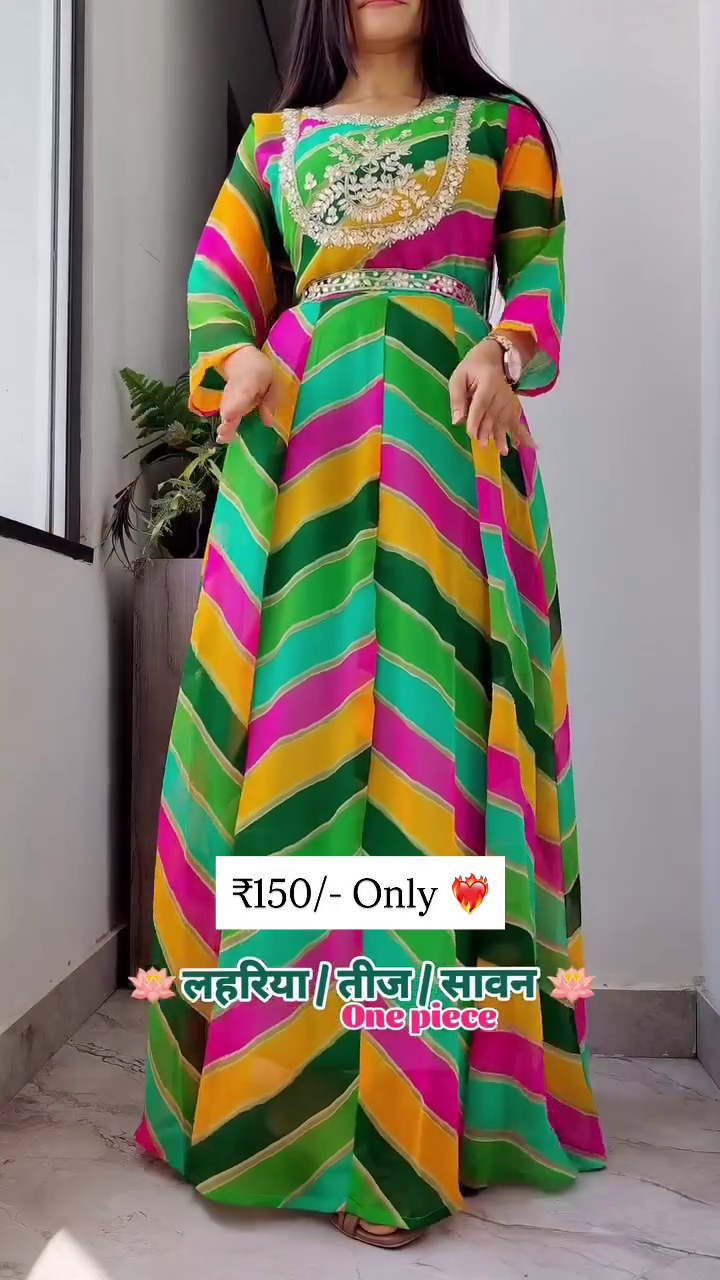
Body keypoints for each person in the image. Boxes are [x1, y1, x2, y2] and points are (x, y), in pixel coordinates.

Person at [136, 0, 607, 1249]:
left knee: (429, 762)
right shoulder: (273, 144)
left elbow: (537, 281)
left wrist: (507, 349)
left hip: (453, 468)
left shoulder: (503, 132)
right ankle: (272, 1106)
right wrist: (236, 358)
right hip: (303, 463)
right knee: (285, 752)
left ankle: (411, 1129)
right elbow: (220, 288)